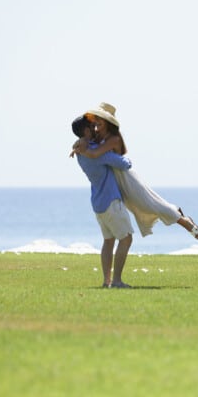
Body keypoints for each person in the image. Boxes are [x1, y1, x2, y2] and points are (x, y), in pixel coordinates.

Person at [71, 102, 198, 240]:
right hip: (116, 178)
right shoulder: (97, 137)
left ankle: (184, 221)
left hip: (125, 175)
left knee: (149, 203)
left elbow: (96, 154)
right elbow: (87, 143)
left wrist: (82, 149)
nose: (95, 126)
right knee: (140, 206)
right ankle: (174, 211)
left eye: (98, 122)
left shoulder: (113, 138)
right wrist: (78, 145)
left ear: (107, 122)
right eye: (94, 123)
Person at [73, 116, 134, 289]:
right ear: (85, 131)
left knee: (108, 241)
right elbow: (125, 164)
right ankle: (116, 281)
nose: (95, 129)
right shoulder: (95, 152)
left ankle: (106, 281)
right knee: (126, 239)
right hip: (111, 201)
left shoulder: (80, 151)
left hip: (98, 203)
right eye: (92, 126)